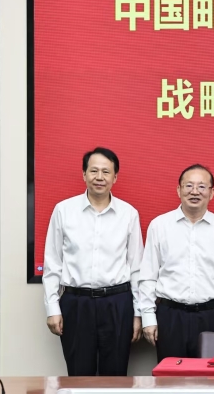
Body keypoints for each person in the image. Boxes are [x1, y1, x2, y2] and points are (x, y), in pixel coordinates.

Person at [43, 147, 144, 376]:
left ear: (115, 177)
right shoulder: (64, 210)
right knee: (79, 375)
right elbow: (52, 263)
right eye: (94, 171)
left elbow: (136, 268)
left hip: (117, 303)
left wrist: (138, 313)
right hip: (76, 304)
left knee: (116, 376)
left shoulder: (129, 214)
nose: (99, 177)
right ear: (84, 174)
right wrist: (52, 308)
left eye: (106, 172)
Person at [139, 164, 214, 361]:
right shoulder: (160, 225)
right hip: (170, 317)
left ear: (212, 192)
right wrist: (148, 317)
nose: (195, 192)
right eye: (189, 186)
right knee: (171, 377)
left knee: (211, 378)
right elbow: (148, 276)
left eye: (202, 186)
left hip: (212, 317)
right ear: (179, 190)